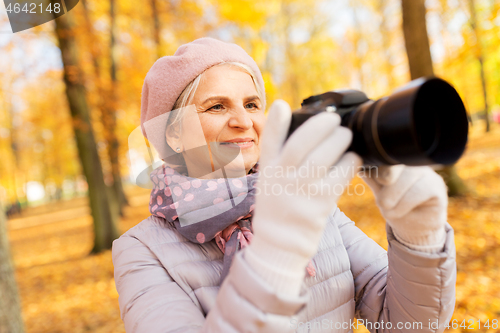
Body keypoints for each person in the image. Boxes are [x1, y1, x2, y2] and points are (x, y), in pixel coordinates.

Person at [112, 37, 456, 333]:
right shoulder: (141, 251)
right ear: (172, 132)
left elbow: (407, 322)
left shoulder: (309, 207)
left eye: (251, 104)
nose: (243, 121)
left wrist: (419, 237)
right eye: (217, 106)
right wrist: (275, 255)